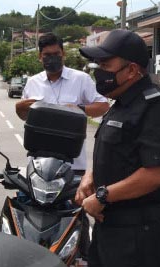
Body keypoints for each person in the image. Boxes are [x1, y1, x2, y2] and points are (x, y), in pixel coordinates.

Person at [76, 29, 160, 267]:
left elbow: (156, 174)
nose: (99, 72)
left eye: (106, 65)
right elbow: (113, 151)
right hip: (108, 228)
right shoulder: (121, 103)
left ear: (132, 69)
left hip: (137, 236)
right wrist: (90, 177)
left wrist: (103, 195)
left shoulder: (154, 107)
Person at [15, 33, 111, 176]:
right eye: (47, 54)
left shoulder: (81, 79)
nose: (52, 58)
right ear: (40, 56)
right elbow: (25, 117)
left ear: (63, 54)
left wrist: (80, 109)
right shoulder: (33, 82)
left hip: (73, 164)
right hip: (39, 164)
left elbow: (103, 106)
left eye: (56, 54)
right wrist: (18, 109)